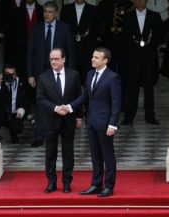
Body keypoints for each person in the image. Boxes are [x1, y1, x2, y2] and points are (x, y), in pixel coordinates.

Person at [64, 47, 122, 197]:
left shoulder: (112, 77)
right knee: (95, 156)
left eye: (96, 57)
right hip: (91, 122)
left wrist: (113, 124)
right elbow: (85, 97)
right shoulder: (90, 74)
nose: (92, 59)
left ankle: (109, 186)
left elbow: (116, 103)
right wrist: (69, 107)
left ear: (105, 60)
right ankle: (96, 184)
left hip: (105, 123)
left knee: (108, 156)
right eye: (92, 56)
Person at [27, 1, 75, 147]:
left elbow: (70, 51)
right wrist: (30, 74)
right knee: (41, 102)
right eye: (45, 12)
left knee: (60, 101)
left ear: (56, 13)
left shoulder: (65, 28)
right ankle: (40, 136)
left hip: (59, 70)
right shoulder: (36, 29)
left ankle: (60, 134)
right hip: (40, 72)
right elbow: (30, 53)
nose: (46, 15)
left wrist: (71, 74)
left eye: (50, 12)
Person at [37, 48, 82, 194]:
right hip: (51, 120)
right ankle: (51, 182)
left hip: (68, 120)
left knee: (68, 152)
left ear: (64, 59)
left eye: (56, 59)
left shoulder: (73, 75)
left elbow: (78, 97)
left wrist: (79, 117)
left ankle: (67, 182)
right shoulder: (43, 77)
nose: (54, 62)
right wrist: (55, 108)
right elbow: (40, 98)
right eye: (51, 59)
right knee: (50, 152)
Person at [121, 0, 163, 125]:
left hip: (149, 57)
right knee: (132, 88)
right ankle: (129, 117)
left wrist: (149, 46)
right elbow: (124, 37)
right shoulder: (127, 17)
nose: (140, 2)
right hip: (133, 58)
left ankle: (150, 117)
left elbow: (160, 35)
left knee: (149, 88)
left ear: (147, 1)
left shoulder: (155, 16)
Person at [60, 0, 101, 85]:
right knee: (71, 76)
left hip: (88, 50)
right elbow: (62, 28)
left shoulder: (94, 10)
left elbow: (97, 30)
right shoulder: (66, 9)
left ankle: (87, 96)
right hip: (71, 49)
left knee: (88, 76)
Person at [0, 63, 27, 143]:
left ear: (16, 74)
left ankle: (14, 134)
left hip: (15, 112)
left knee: (17, 127)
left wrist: (22, 109)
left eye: (12, 74)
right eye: (7, 74)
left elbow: (26, 99)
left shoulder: (22, 82)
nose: (10, 76)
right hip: (3, 112)